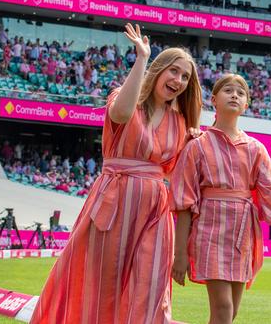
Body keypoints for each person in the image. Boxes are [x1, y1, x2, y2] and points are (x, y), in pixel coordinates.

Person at [30, 24, 202, 324]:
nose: (179, 80)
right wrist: (141, 58)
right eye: (174, 71)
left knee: (150, 285)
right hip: (114, 203)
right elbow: (121, 114)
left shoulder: (181, 123)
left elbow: (182, 176)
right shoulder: (125, 99)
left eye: (185, 76)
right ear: (157, 70)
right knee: (101, 284)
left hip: (155, 212)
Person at [170, 74, 271, 324]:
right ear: (214, 100)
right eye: (228, 90)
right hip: (209, 232)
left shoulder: (256, 148)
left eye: (241, 93)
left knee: (231, 312)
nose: (235, 95)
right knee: (224, 309)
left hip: (242, 235)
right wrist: (179, 254)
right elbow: (184, 202)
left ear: (246, 104)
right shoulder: (197, 146)